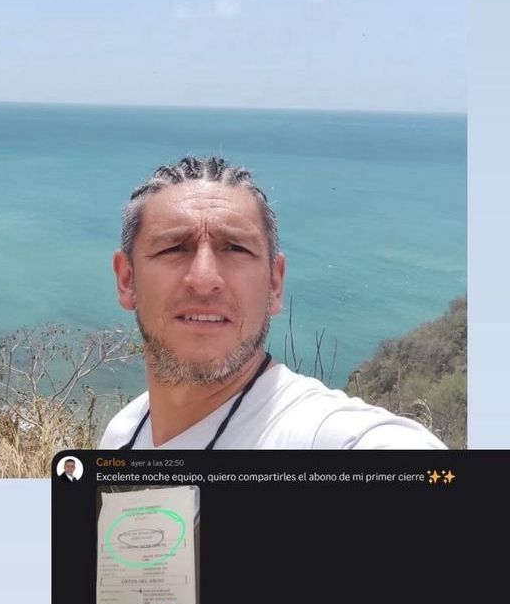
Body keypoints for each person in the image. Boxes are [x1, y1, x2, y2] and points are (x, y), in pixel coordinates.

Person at [99, 156, 447, 451]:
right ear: (127, 279)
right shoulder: (124, 434)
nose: (204, 278)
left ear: (275, 284)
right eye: (174, 248)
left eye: (235, 248)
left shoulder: (322, 435)